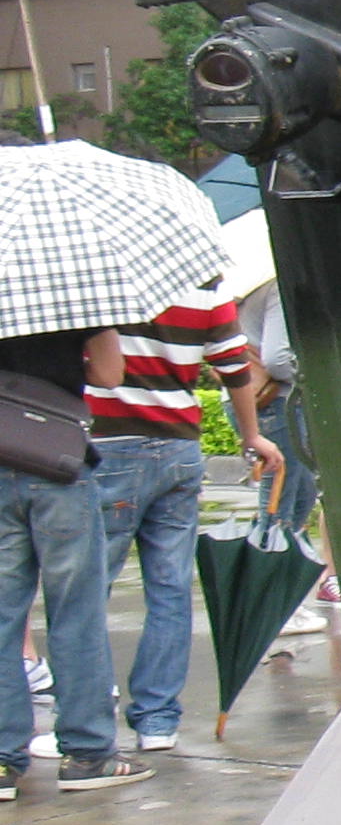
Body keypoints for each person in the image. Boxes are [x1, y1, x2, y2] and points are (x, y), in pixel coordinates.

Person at [85, 280, 281, 752]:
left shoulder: (94, 279)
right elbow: (234, 366)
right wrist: (251, 435)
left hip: (108, 446)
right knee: (170, 588)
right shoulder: (199, 285)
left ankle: (87, 714)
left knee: (89, 588)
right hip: (180, 447)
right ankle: (157, 721)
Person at [0, 322, 144, 795]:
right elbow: (108, 374)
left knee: (2, 618)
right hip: (56, 462)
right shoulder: (72, 293)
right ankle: (88, 754)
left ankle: (2, 761)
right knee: (74, 612)